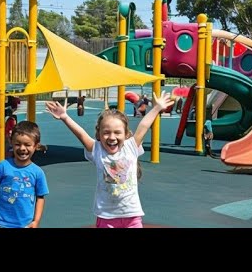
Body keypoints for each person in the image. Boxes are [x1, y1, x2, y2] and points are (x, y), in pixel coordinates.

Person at [45, 91, 173, 228]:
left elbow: (144, 126)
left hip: (131, 215)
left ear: (126, 134)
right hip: (106, 216)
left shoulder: (131, 147)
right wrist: (65, 117)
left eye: (117, 132)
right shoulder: (97, 150)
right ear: (99, 134)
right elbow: (81, 134)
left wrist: (157, 108)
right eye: (106, 132)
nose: (112, 137)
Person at [0, 120, 49, 228]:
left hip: (25, 224)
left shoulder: (37, 172)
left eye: (27, 145)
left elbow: (40, 197)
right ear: (11, 142)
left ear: (36, 146)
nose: (22, 148)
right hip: (1, 223)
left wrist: (36, 221)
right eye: (17, 144)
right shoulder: (3, 166)